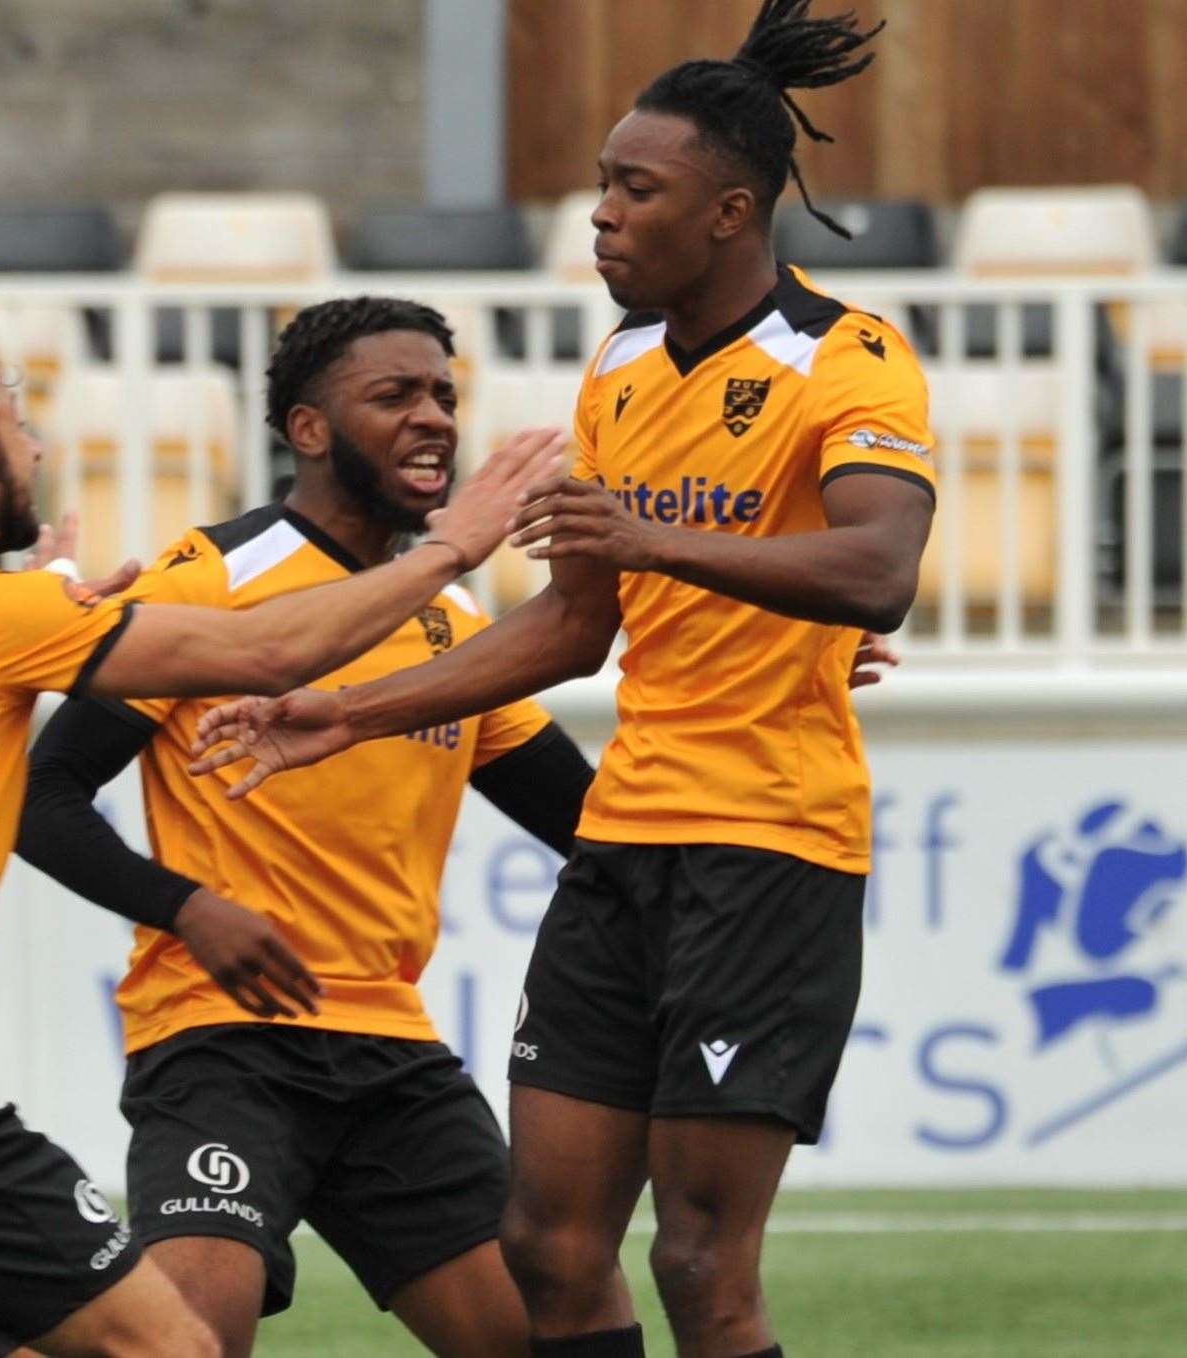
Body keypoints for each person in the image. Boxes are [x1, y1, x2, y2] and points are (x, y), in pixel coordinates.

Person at [186, 4, 935, 1356]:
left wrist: (647, 537)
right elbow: (573, 628)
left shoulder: (849, 357)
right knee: (547, 1245)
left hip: (766, 845)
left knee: (703, 1264)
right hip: (625, 846)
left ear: (727, 212)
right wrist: (341, 709)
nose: (598, 215)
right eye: (599, 183)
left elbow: (880, 568)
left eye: (632, 189)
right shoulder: (622, 368)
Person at [0, 311, 564, 1358]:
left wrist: (40, 609)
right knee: (175, 1346)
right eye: (16, 426)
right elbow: (269, 649)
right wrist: (462, 540)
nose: (41, 448)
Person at [17, 296, 599, 1358]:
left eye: (442, 396)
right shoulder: (206, 578)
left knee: (552, 1332)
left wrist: (762, 672)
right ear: (308, 429)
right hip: (220, 1042)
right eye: (394, 395)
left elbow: (591, 823)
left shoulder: (453, 626)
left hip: (391, 1054)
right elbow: (38, 796)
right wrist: (187, 908)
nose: (431, 417)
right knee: (187, 1340)